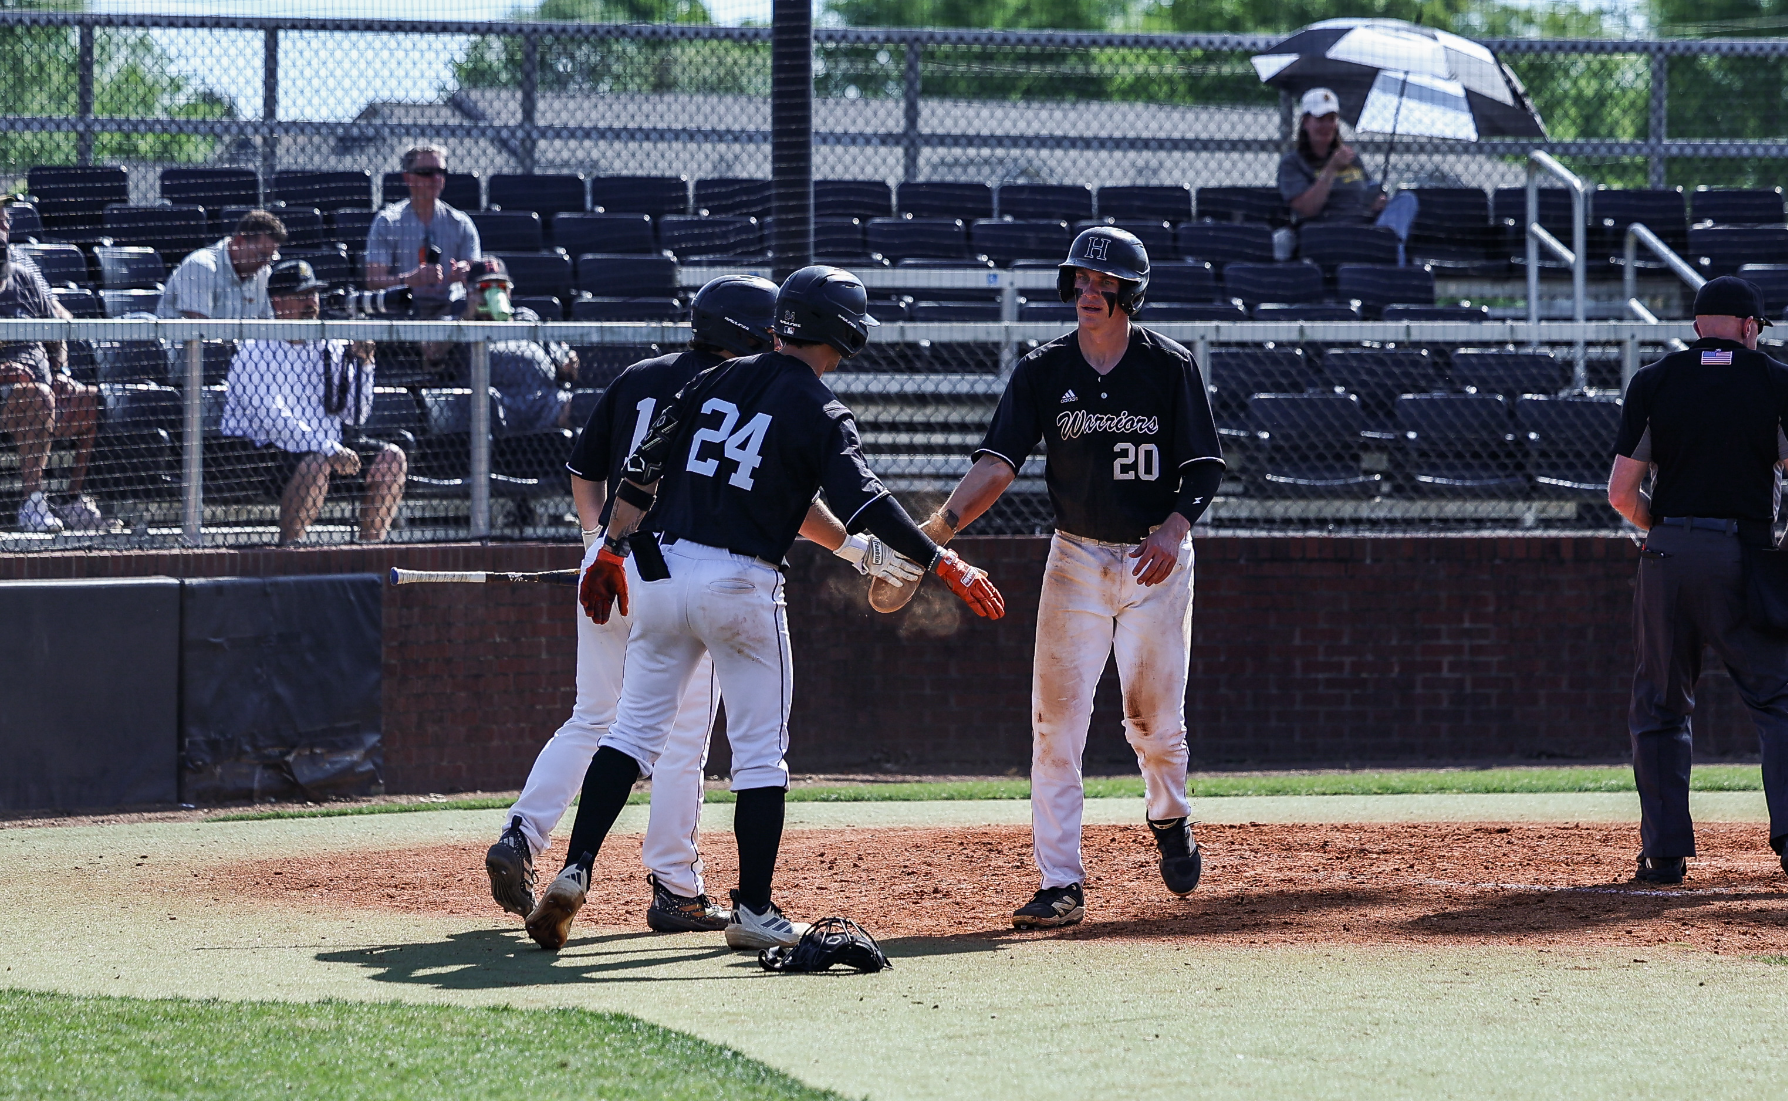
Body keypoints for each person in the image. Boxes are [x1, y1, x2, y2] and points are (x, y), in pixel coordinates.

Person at [520, 265, 1004, 953]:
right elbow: (866, 503)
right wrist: (945, 561)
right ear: (848, 334)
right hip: (740, 584)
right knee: (758, 756)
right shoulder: (819, 408)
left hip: (660, 573)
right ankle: (754, 908)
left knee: (629, 734)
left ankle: (573, 869)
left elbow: (640, 471)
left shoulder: (711, 379)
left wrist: (607, 551)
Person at [930, 226, 1225, 930]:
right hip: (1076, 558)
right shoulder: (1042, 369)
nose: (1088, 293)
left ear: (1131, 292)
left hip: (1155, 561)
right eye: (1080, 282)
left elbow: (1204, 467)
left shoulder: (1170, 365)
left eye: (1104, 283)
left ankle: (1170, 815)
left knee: (1152, 725)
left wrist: (1174, 527)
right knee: (1054, 726)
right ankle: (1061, 882)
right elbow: (999, 463)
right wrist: (937, 529)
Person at [1607, 275, 1788, 895]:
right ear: (1749, 326)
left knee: (1658, 707)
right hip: (1744, 554)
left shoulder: (1653, 381)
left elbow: (1620, 493)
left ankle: (1663, 856)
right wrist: (1782, 554)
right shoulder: (1776, 380)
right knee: (1782, 698)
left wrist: (1670, 536)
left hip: (1667, 558)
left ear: (1698, 324)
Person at [219, 260, 408, 545]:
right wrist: (328, 449)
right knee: (316, 463)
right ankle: (290, 551)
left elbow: (356, 416)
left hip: (327, 449)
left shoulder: (330, 344)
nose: (311, 302)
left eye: (314, 294)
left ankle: (371, 550)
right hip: (263, 454)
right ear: (278, 302)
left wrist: (365, 365)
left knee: (392, 458)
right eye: (302, 295)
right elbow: (272, 420)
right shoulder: (254, 350)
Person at [0, 205, 103, 533]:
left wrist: (61, 372)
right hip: (12, 390)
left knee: (90, 400)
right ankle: (33, 504)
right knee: (39, 397)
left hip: (39, 384)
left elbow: (57, 328)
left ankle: (71, 499)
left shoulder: (23, 276)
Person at [429, 258, 578, 432]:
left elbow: (562, 362)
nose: (494, 292)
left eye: (501, 287)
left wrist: (569, 363)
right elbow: (432, 352)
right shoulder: (458, 324)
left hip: (544, 399)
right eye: (485, 288)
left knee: (579, 404)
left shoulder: (526, 317)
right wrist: (468, 317)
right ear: (469, 292)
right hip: (494, 404)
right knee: (482, 404)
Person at [1276, 87, 1420, 266]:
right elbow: (1307, 209)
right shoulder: (1292, 163)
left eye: (1331, 119)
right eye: (1320, 119)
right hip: (1325, 234)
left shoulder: (1351, 158)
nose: (1327, 126)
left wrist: (1377, 201)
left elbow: (1367, 191)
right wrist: (1331, 169)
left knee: (1406, 199)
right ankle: (1389, 253)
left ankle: (1387, 239)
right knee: (1391, 245)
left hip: (1364, 228)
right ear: (1305, 122)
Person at [364, 143, 481, 319]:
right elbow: (374, 281)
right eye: (427, 173)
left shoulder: (460, 223)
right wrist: (409, 280)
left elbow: (479, 276)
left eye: (441, 172)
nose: (435, 178)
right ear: (408, 178)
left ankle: (432, 346)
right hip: (402, 309)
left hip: (449, 309)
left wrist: (467, 273)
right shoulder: (387, 222)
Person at [155, 209, 285, 320]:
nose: (266, 263)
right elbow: (201, 334)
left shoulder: (263, 273)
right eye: (261, 255)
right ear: (240, 242)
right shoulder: (201, 267)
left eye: (271, 257)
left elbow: (267, 327)